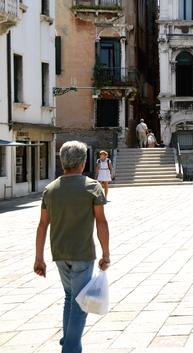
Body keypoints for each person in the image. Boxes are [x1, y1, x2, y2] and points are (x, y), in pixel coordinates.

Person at [34, 141, 110, 353]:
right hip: (83, 253)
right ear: (83, 162)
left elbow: (42, 225)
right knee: (81, 303)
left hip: (59, 254)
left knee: (70, 296)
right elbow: (101, 222)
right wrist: (106, 253)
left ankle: (68, 338)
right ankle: (70, 347)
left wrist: (38, 258)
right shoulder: (92, 186)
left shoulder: (50, 189)